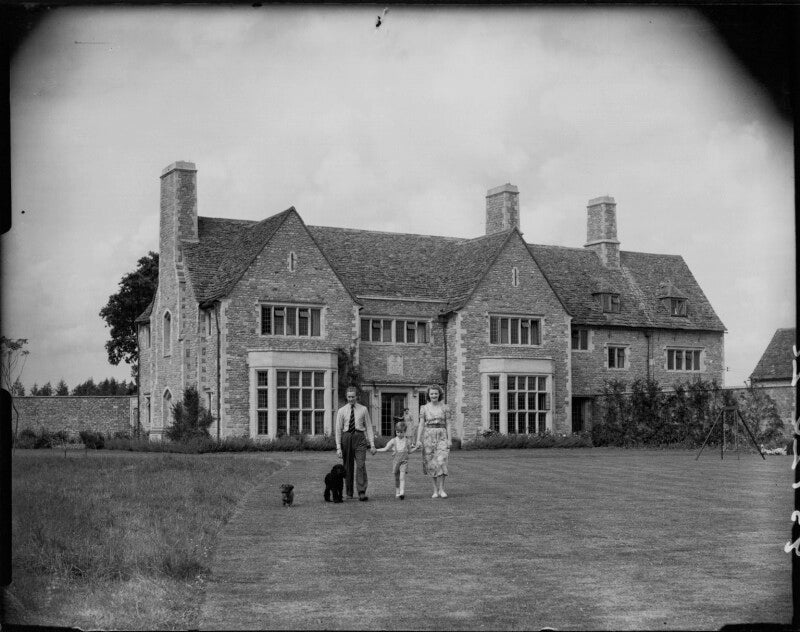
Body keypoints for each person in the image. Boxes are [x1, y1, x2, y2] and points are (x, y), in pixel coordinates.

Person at [335, 386, 377, 501]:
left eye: (353, 397)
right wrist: (338, 447)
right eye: (349, 397)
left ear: (356, 396)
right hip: (347, 437)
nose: (351, 399)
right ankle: (349, 492)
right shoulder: (341, 411)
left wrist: (372, 444)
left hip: (360, 438)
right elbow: (338, 430)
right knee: (347, 466)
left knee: (361, 464)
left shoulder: (363, 409)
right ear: (346, 397)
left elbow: (368, 426)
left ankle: (361, 491)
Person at [415, 384, 451, 498]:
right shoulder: (424, 408)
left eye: (436, 393)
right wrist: (418, 440)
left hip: (442, 436)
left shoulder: (445, 407)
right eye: (432, 394)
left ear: (439, 394)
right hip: (428, 436)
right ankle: (435, 490)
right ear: (428, 395)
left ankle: (442, 489)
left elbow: (449, 424)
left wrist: (449, 439)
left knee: (441, 461)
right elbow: (421, 424)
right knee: (431, 463)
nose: (434, 395)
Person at [375, 420, 418, 499]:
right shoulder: (393, 441)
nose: (399, 434)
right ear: (395, 431)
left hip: (404, 462)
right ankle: (397, 491)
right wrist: (376, 450)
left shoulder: (407, 441)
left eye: (401, 432)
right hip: (396, 462)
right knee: (397, 478)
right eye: (397, 432)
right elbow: (385, 449)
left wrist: (416, 448)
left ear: (404, 432)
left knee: (402, 477)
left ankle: (402, 492)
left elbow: (409, 451)